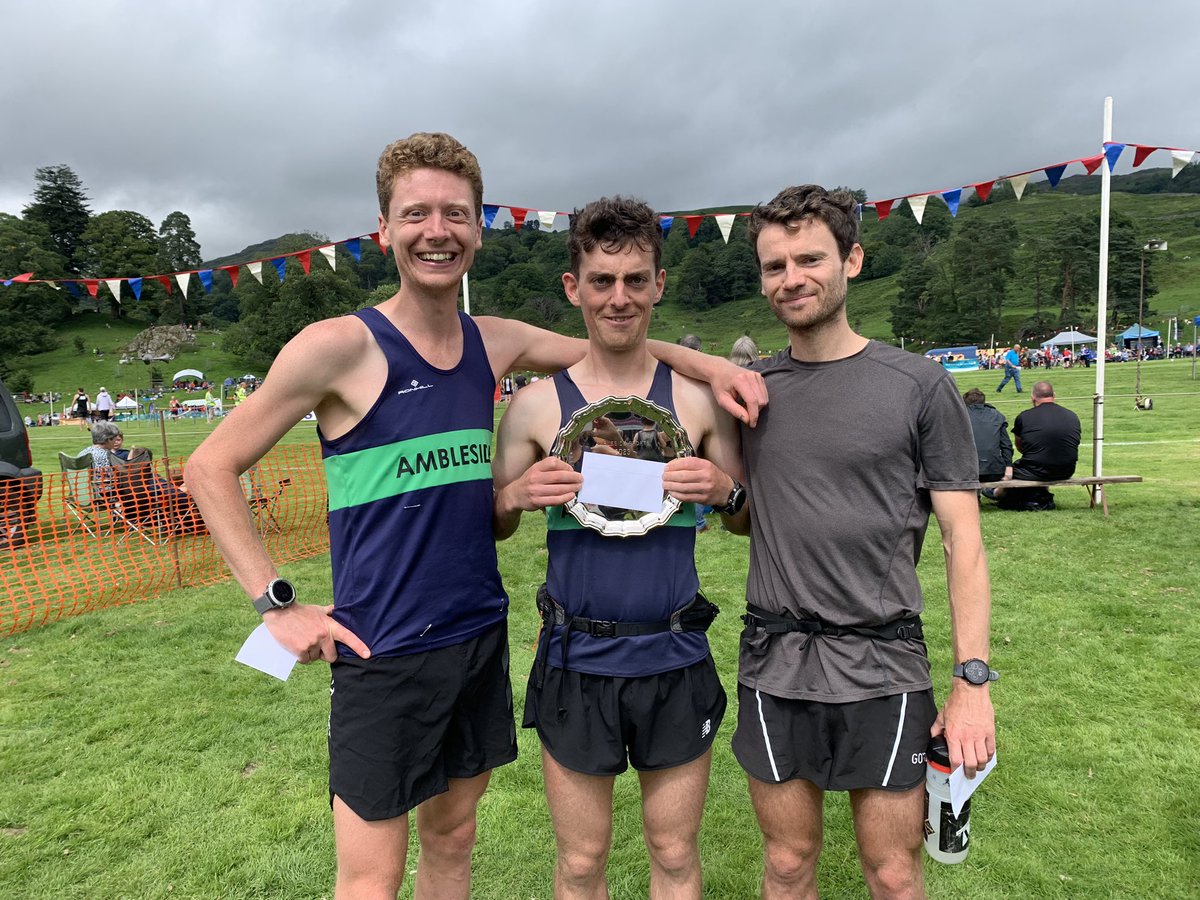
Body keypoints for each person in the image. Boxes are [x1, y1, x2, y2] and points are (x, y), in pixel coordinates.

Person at [184, 132, 765, 899]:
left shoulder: (493, 343)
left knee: (454, 843)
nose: (437, 230)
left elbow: (615, 333)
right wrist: (275, 605)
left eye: (454, 213)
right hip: (380, 646)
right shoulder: (337, 347)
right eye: (415, 212)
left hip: (477, 637)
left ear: (478, 230)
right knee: (369, 879)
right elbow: (208, 466)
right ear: (384, 229)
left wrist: (716, 365)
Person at [728, 185, 995, 899]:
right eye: (774, 265)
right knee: (786, 865)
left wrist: (972, 685)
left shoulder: (918, 386)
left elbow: (960, 542)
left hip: (883, 662)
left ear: (853, 259)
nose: (792, 279)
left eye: (809, 259)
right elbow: (743, 511)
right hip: (774, 659)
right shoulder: (749, 394)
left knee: (894, 873)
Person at [492, 196, 748, 899]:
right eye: (602, 281)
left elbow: (745, 520)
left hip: (673, 654)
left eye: (636, 279)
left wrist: (725, 489)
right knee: (580, 864)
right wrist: (514, 497)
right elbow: (492, 524)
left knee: (673, 853)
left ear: (659, 284)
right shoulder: (535, 408)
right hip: (576, 657)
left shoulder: (695, 402)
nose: (619, 297)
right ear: (574, 288)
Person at [990, 380, 1080, 512]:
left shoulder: (1024, 416)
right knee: (1030, 467)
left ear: (1033, 397)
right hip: (1066, 469)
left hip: (1034, 469)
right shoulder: (1072, 416)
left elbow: (1020, 447)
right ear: (1054, 395)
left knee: (1008, 472)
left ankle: (997, 493)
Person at [963, 387, 1013, 483]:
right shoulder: (997, 415)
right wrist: (1008, 465)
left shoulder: (960, 415)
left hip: (968, 472)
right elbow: (1006, 444)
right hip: (994, 470)